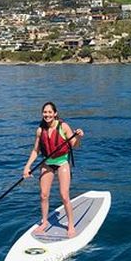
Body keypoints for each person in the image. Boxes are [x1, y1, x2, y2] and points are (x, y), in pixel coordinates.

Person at [23, 102, 84, 238]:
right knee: (43, 195)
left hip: (62, 163)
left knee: (64, 195)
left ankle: (71, 225)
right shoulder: (40, 130)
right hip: (47, 163)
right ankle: (44, 222)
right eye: (45, 112)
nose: (47, 115)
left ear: (55, 113)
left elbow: (75, 145)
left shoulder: (63, 126)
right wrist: (27, 166)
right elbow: (36, 150)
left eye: (50, 112)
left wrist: (78, 136)